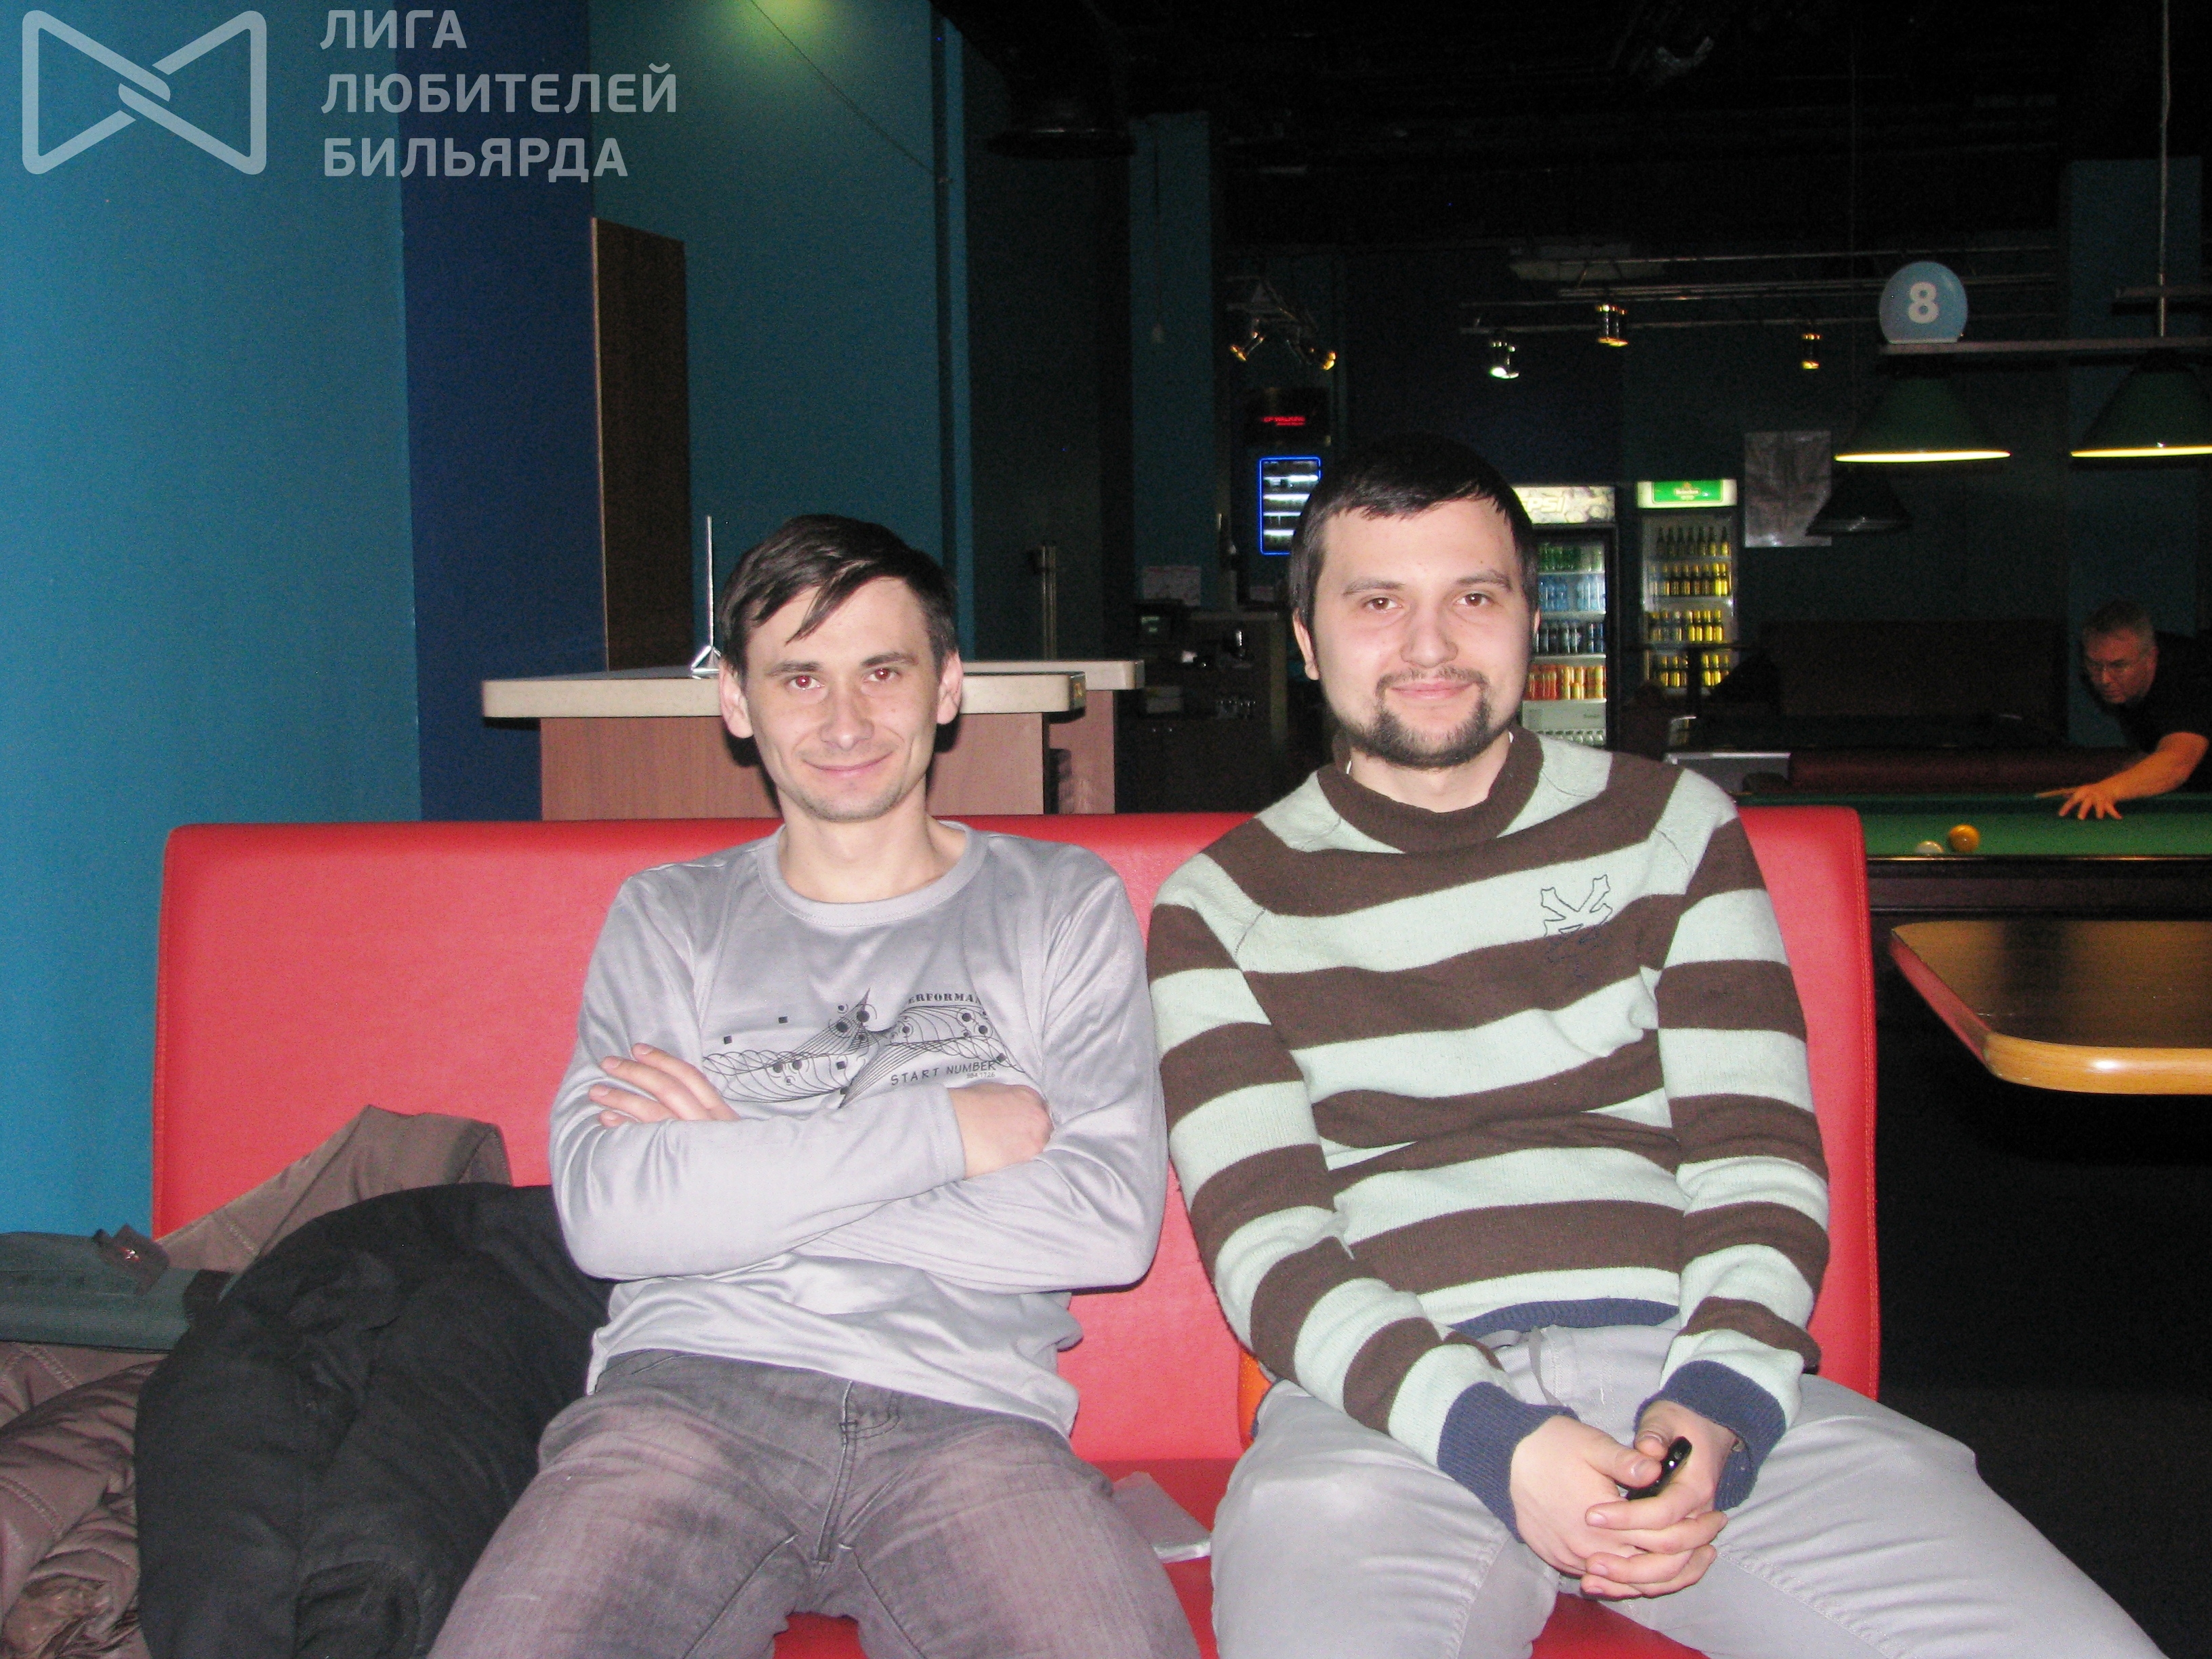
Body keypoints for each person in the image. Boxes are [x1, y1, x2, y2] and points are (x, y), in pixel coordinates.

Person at [1146, 435, 2161, 1659]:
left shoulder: (1671, 828)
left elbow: (1756, 1155)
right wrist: (1493, 1438)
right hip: (1385, 1411)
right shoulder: (1220, 906)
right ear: (1307, 642)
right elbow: (1267, 1246)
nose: (1429, 643)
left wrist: (1716, 1405)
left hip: (1680, 1368)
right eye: (1376, 603)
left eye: (1474, 596)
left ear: (1530, 621)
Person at [432, 516, 1194, 1659]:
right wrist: (944, 1129)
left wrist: (737, 1156)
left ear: (946, 687)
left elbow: (1104, 1222)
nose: (844, 721)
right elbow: (611, 1215)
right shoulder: (671, 916)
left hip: (972, 1424)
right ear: (736, 701)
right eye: (799, 677)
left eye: (881, 671)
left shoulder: (1057, 903)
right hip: (681, 1403)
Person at [2044, 600, 2212, 819]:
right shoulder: (2128, 683)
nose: (2104, 679)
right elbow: (2157, 749)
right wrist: (2102, 786)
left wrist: (2108, 789)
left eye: (2119, 666)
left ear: (2150, 658)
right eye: (2094, 665)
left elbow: (2178, 763)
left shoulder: (2190, 676)